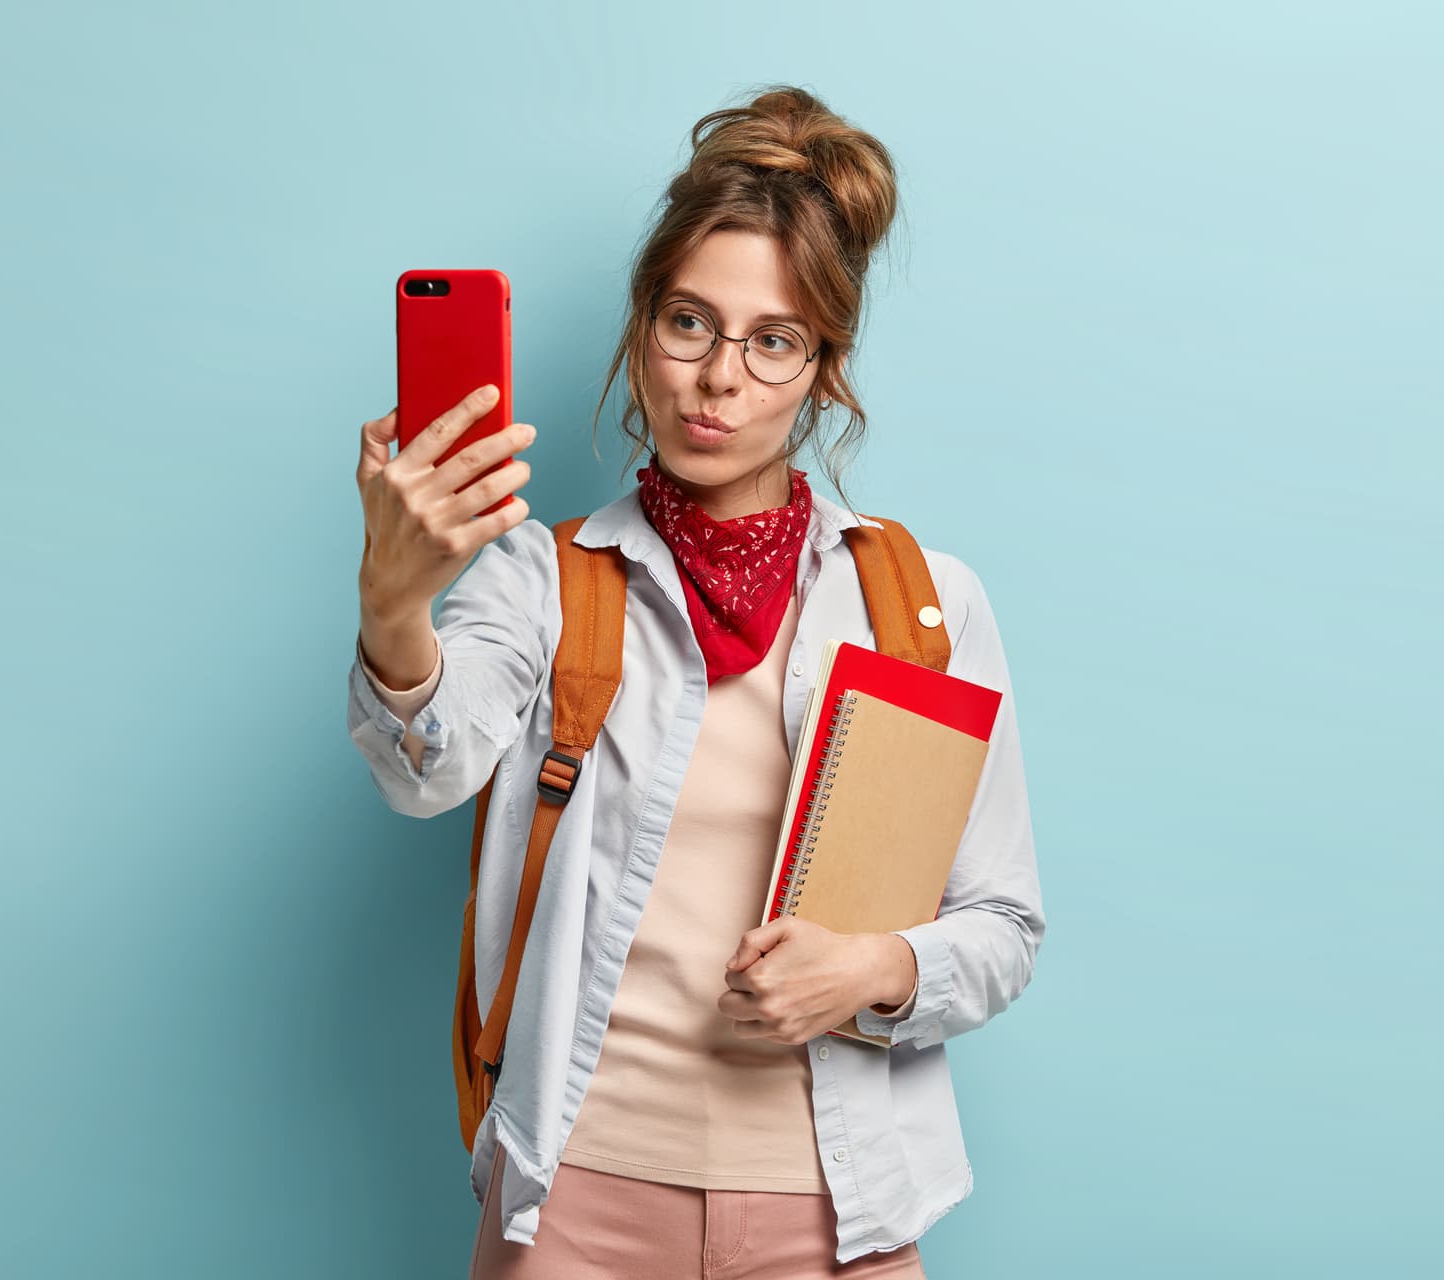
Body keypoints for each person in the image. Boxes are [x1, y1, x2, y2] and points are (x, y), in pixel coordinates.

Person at [348, 85, 1044, 1279]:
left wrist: (873, 968)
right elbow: (430, 770)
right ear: (641, 328)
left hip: (840, 1209)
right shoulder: (550, 576)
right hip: (577, 1207)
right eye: (687, 322)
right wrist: (393, 600)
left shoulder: (920, 604)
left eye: (771, 340)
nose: (716, 378)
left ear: (823, 372)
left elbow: (1004, 924)